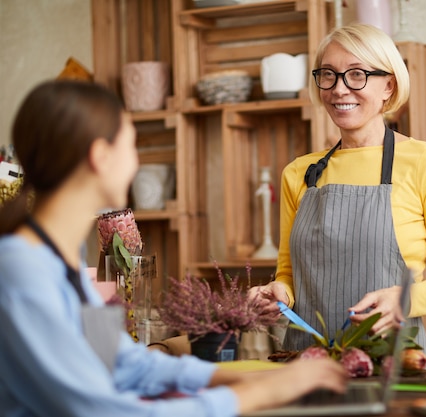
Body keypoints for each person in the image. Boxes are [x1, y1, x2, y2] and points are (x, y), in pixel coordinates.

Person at [0, 79, 347, 417]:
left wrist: (237, 377)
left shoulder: (63, 261)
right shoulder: (21, 273)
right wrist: (255, 394)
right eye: (132, 146)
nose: (135, 164)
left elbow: (121, 362)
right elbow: (99, 410)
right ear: (100, 156)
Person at [249, 23, 426, 367]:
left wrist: (404, 300)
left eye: (356, 75)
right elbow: (289, 276)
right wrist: (278, 294)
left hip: (391, 365)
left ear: (389, 85)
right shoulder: (298, 173)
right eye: (329, 75)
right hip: (305, 364)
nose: (339, 90)